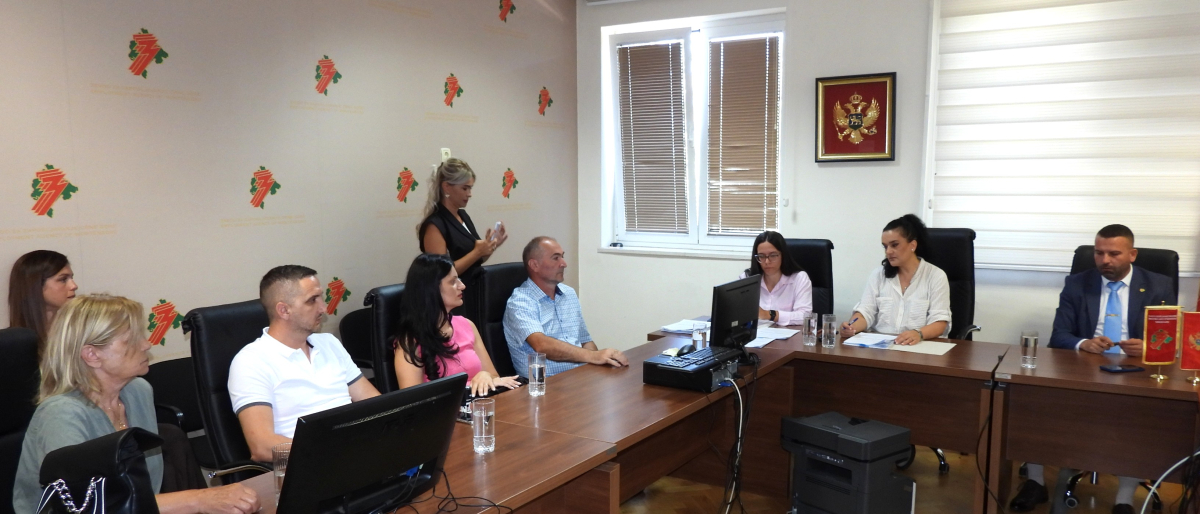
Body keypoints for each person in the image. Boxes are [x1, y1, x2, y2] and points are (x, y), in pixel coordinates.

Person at [13, 294, 259, 514]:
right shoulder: (61, 415)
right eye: (130, 340)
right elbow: (88, 506)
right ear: (92, 355)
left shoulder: (137, 392)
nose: (146, 344)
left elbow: (143, 490)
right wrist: (199, 500)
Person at [1011, 224, 1174, 514]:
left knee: (1141, 419)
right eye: (1099, 253)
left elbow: (1171, 340)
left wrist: (1148, 347)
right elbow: (1059, 335)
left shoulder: (1158, 285)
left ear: (1132, 254)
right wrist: (1084, 342)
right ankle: (1035, 482)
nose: (1105, 260)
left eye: (1114, 254)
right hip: (1083, 369)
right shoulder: (1077, 283)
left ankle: (1124, 499)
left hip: (1135, 372)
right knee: (1029, 400)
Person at [228, 265, 381, 462]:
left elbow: (374, 404)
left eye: (321, 297)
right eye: (312, 300)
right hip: (307, 462)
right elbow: (262, 446)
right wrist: (335, 449)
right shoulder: (251, 362)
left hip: (355, 452)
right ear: (284, 310)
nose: (323, 308)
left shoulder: (329, 343)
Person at [393, 253, 522, 396]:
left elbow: (494, 376)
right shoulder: (409, 342)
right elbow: (413, 401)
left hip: (481, 405)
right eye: (453, 281)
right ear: (431, 289)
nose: (462, 286)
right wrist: (469, 387)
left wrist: (485, 375)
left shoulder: (467, 325)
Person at [504, 236, 628, 377]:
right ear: (534, 265)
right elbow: (542, 346)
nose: (564, 263)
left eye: (562, 257)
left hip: (580, 376)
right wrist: (594, 356)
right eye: (556, 258)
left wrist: (598, 365)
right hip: (545, 383)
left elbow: (585, 341)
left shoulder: (569, 293)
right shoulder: (520, 302)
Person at [418, 158, 509, 322]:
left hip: (474, 294)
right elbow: (441, 273)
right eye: (465, 188)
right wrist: (477, 252)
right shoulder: (435, 225)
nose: (469, 194)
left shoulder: (463, 216)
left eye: (470, 188)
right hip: (453, 303)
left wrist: (490, 246)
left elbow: (475, 261)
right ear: (447, 187)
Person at [839, 214, 951, 345]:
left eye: (894, 245)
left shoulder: (935, 276)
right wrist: (851, 327)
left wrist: (919, 333)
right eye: (885, 246)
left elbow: (940, 322)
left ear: (913, 245)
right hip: (881, 348)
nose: (888, 252)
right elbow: (865, 312)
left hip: (918, 346)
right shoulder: (878, 275)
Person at [7, 249, 78, 353]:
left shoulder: (80, 332)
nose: (74, 286)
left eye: (72, 278)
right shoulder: (11, 344)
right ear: (36, 285)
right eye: (63, 279)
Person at [740, 231, 812, 325]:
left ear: (783, 255)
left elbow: (806, 316)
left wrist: (771, 315)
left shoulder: (799, 278)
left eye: (773, 255)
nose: (767, 261)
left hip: (789, 333)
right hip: (757, 333)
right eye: (761, 256)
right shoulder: (747, 278)